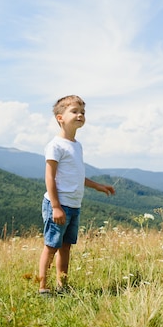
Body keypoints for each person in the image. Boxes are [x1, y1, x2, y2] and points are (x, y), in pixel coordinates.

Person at [38, 95, 115, 296]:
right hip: (59, 205)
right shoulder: (55, 145)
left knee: (66, 246)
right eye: (74, 111)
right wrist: (55, 206)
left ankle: (62, 285)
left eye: (83, 112)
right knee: (51, 246)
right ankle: (43, 288)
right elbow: (50, 177)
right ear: (60, 118)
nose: (80, 115)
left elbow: (76, 176)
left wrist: (98, 186)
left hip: (73, 205)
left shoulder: (77, 145)